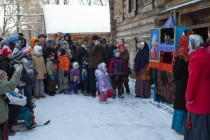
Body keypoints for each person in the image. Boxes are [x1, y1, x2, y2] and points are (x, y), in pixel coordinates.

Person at [184, 35, 210, 140]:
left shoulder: (196, 58)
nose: (188, 47)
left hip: (197, 100)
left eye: (190, 44)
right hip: (206, 98)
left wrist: (188, 97)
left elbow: (192, 81)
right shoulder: (206, 55)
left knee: (197, 128)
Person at [171, 31, 189, 134]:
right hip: (188, 82)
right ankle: (186, 124)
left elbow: (176, 72)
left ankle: (179, 126)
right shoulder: (189, 54)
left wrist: (175, 78)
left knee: (180, 104)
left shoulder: (180, 55)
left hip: (181, 84)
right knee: (185, 104)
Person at [0, 65, 23, 140]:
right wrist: (18, 72)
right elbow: (11, 85)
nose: (7, 78)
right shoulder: (1, 86)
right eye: (6, 76)